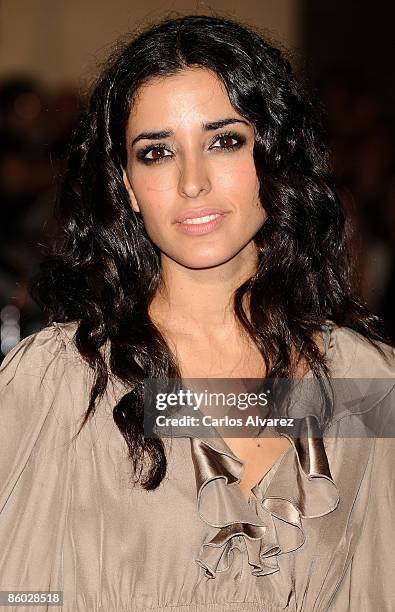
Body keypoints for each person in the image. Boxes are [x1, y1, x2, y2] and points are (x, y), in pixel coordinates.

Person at [0, 14, 394, 612]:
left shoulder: (365, 384)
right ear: (128, 185)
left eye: (225, 140)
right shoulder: (60, 383)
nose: (193, 181)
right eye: (156, 152)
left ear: (275, 155)